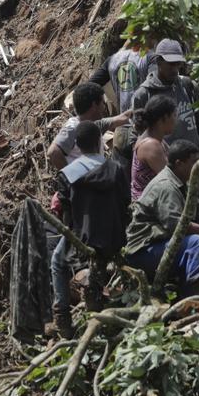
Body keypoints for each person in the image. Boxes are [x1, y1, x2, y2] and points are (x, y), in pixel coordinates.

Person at [125, 141, 199, 295]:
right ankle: (195, 300)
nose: (197, 166)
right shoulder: (166, 186)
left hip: (166, 243)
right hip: (144, 250)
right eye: (193, 162)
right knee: (197, 243)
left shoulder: (186, 182)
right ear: (179, 164)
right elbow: (177, 226)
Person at [51, 121, 130, 336]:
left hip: (83, 239)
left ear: (77, 144)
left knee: (58, 262)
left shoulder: (67, 174)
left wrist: (74, 235)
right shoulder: (116, 168)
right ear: (98, 142)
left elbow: (66, 216)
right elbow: (125, 202)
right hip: (116, 237)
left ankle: (63, 318)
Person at [130, 39, 199, 149]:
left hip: (195, 160)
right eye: (170, 64)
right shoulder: (144, 94)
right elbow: (139, 136)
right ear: (158, 61)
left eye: (178, 64)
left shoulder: (188, 86)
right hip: (164, 163)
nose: (175, 69)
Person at [46, 83, 130, 171]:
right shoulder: (73, 127)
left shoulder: (94, 125)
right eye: (102, 103)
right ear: (94, 105)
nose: (104, 107)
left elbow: (122, 118)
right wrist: (71, 178)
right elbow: (53, 152)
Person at [130, 95, 176, 201]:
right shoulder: (151, 145)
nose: (175, 120)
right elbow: (172, 179)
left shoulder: (157, 140)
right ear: (162, 119)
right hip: (148, 208)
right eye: (173, 115)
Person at [86, 44, 147, 113]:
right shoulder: (149, 56)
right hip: (149, 112)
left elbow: (90, 85)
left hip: (126, 115)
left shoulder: (112, 60)